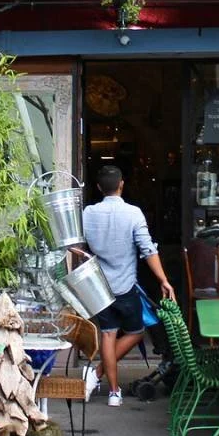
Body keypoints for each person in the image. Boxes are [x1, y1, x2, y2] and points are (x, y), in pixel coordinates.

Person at [81, 164, 175, 407]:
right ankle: (99, 376)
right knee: (136, 333)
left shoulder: (88, 213)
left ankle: (113, 391)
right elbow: (148, 250)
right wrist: (163, 280)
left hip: (100, 287)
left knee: (108, 334)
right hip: (125, 287)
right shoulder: (133, 213)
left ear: (99, 187)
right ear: (122, 184)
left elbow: (76, 244)